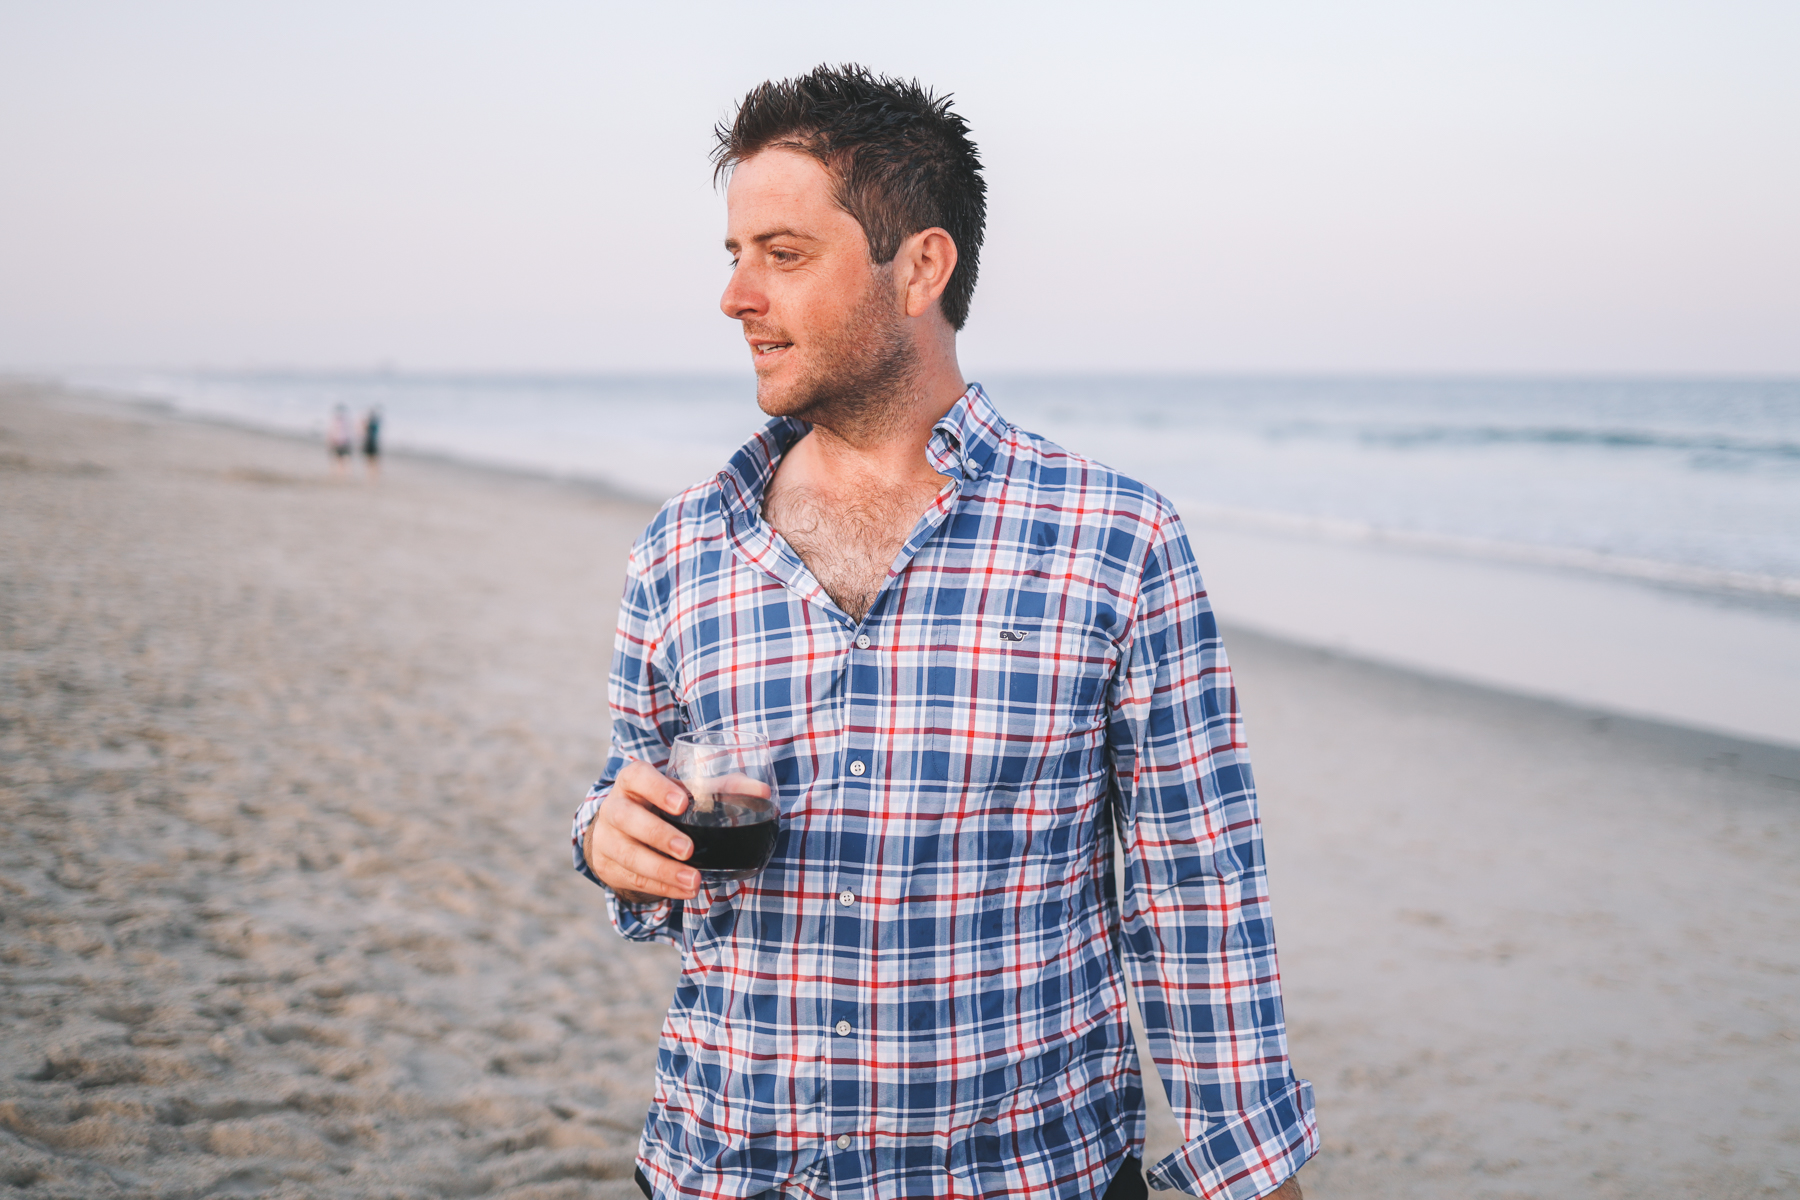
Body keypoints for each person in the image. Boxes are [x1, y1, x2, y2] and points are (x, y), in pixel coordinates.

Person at [573, 65, 1316, 1200]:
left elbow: (1200, 900)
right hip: (716, 1172)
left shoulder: (1115, 542)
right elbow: (647, 822)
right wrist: (607, 842)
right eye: (732, 255)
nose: (735, 296)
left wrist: (1252, 1178)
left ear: (919, 266)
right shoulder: (681, 549)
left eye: (782, 254)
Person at [326, 404, 354, 477]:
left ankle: (341, 473)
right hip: (339, 441)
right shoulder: (337, 421)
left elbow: (348, 432)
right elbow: (332, 431)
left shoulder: (342, 421)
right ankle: (338, 473)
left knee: (341, 458)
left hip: (342, 441)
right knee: (338, 458)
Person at [361, 406, 382, 480]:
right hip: (374, 444)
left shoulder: (370, 424)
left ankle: (371, 476)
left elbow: (363, 430)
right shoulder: (376, 424)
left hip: (369, 444)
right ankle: (374, 476)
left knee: (370, 461)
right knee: (373, 461)